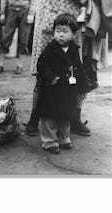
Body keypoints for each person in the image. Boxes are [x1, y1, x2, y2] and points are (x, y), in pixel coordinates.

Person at [26, 0, 92, 137]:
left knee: (73, 72)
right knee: (44, 73)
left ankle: (74, 118)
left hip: (72, 18)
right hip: (49, 14)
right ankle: (35, 118)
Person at [36, 13, 88, 154]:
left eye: (65, 32)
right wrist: (51, 77)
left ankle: (64, 138)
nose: (60, 35)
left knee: (66, 115)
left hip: (67, 89)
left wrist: (82, 86)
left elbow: (78, 68)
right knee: (50, 116)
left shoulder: (74, 50)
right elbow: (41, 65)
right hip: (52, 89)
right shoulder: (50, 49)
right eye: (58, 31)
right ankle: (49, 141)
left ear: (73, 34)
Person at [0, 0, 37, 75]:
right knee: (6, 37)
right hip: (11, 9)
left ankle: (20, 65)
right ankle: (0, 64)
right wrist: (2, 13)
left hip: (25, 10)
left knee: (24, 38)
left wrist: (31, 14)